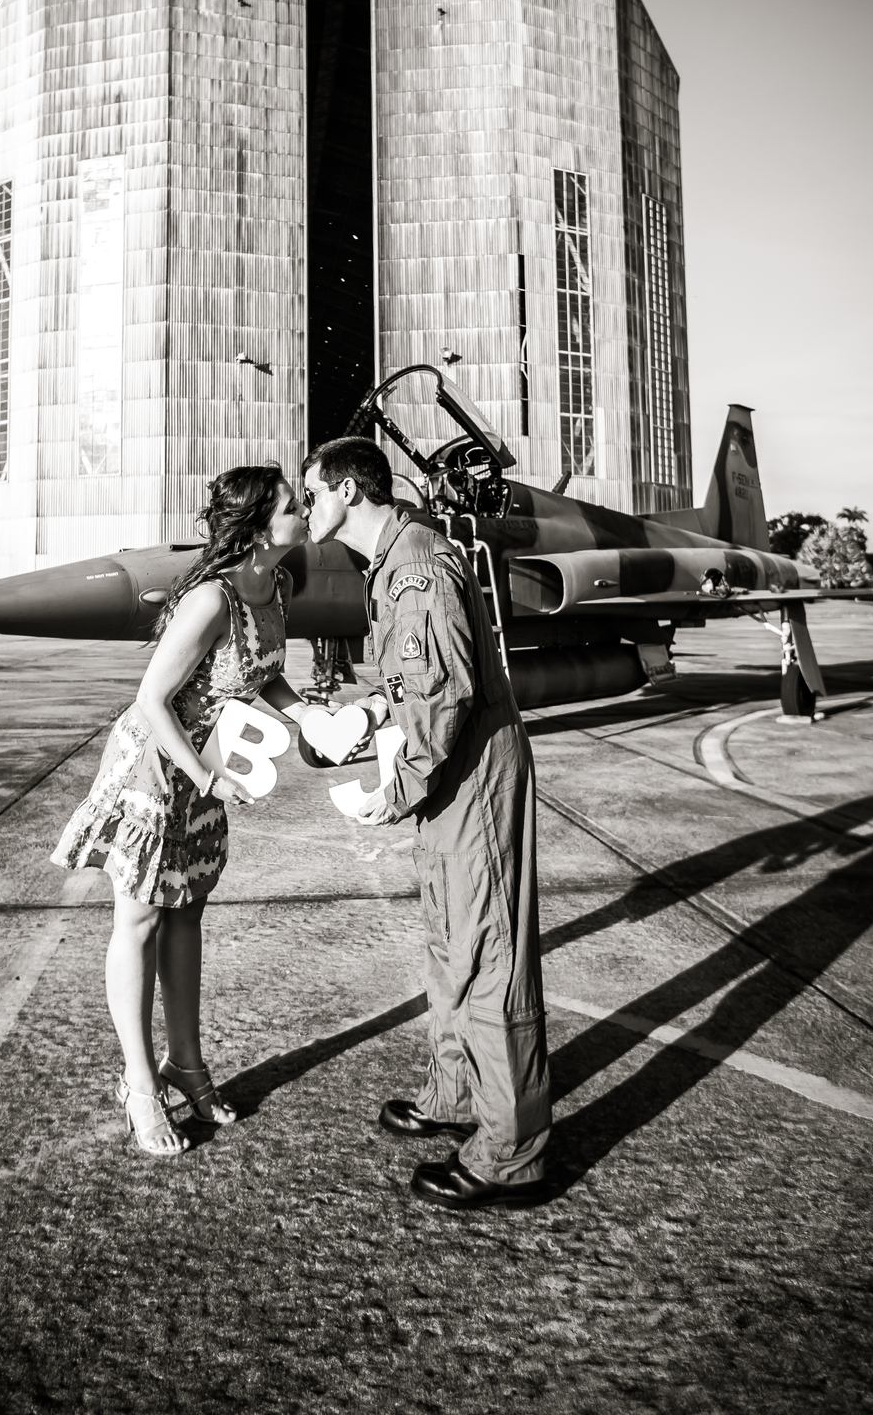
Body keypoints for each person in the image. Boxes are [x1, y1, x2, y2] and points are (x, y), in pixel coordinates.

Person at [302, 435, 551, 1209]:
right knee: (451, 945)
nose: (307, 507)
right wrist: (370, 710)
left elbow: (444, 694)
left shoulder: (415, 565)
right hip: (449, 776)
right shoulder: (394, 564)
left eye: (311, 492)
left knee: (489, 956)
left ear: (347, 490)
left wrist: (396, 787)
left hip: (469, 777)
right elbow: (414, 681)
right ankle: (453, 1094)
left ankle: (512, 1153)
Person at [51, 464, 311, 1158]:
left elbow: (262, 671)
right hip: (156, 767)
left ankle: (186, 1065)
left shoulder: (275, 586)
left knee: (188, 909)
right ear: (260, 527)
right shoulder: (211, 600)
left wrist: (307, 712)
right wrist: (203, 777)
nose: (305, 510)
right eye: (294, 504)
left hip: (209, 767)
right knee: (138, 918)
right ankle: (139, 1084)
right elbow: (150, 699)